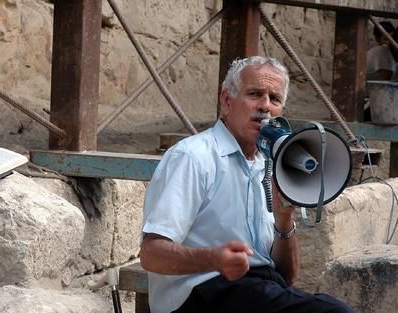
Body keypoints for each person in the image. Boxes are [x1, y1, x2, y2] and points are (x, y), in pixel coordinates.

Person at [140, 56, 354, 313]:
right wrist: (214, 259)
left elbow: (287, 277)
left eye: (274, 99)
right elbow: (151, 254)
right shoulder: (193, 157)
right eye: (255, 94)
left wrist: (284, 220)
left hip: (256, 291)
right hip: (203, 295)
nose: (265, 106)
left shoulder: (270, 164)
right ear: (227, 101)